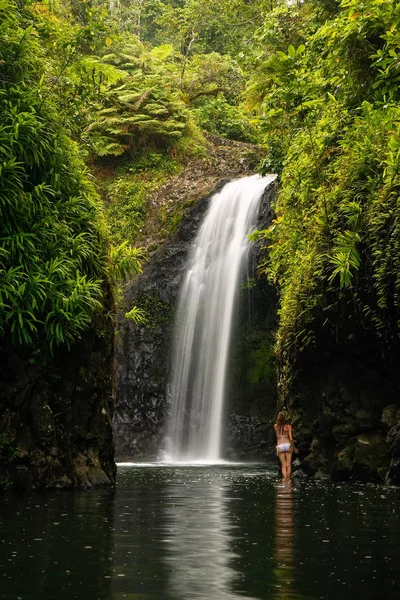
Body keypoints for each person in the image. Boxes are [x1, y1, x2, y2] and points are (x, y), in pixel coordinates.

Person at [274, 411, 296, 480]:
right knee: (288, 465)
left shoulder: (275, 426)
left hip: (280, 445)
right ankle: (288, 480)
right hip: (287, 444)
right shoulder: (289, 426)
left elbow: (277, 436)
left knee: (283, 465)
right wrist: (294, 447)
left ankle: (284, 479)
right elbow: (291, 439)